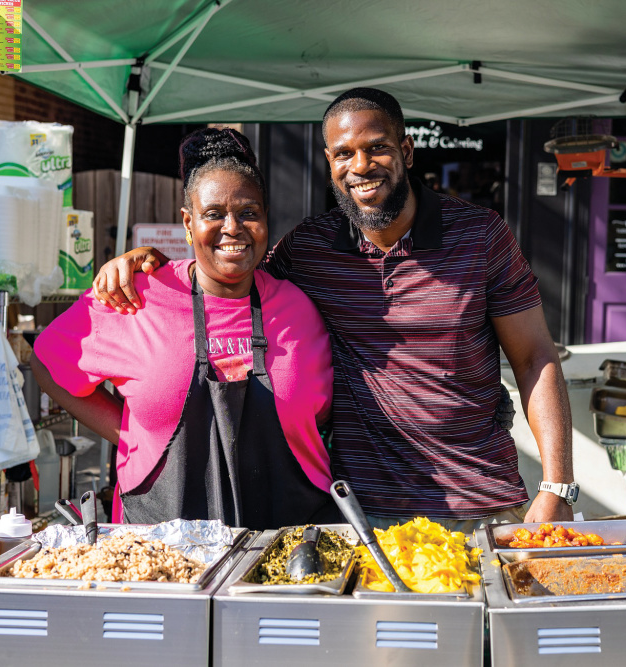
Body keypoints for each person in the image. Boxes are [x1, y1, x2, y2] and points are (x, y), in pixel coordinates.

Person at [94, 89, 575, 530]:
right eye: (344, 153)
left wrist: (557, 486)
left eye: (377, 147)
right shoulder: (308, 250)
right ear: (329, 163)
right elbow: (227, 263)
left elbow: (535, 358)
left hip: (483, 505)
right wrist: (147, 265)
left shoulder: (480, 235)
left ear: (406, 152)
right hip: (359, 515)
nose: (361, 165)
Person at [31, 128, 336, 529]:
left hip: (290, 546)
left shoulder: (300, 307)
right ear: (188, 224)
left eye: (249, 212)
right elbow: (47, 362)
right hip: (163, 555)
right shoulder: (136, 296)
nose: (233, 228)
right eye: (213, 214)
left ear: (266, 217)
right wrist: (126, 431)